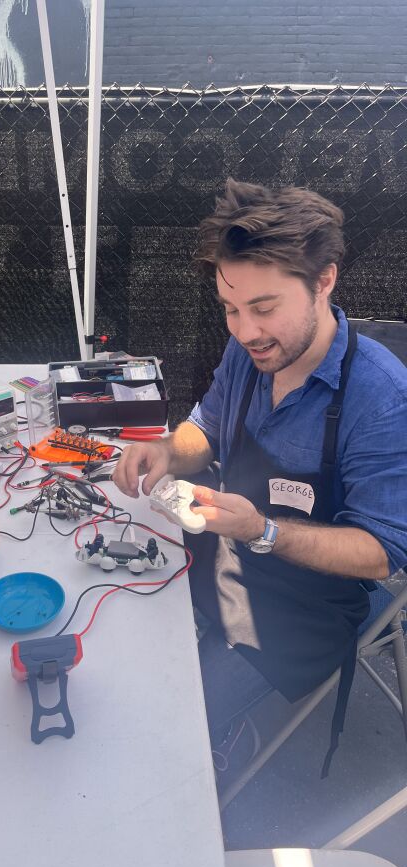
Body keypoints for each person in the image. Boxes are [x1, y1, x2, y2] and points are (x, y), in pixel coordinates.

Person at [112, 179, 407, 768]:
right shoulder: (249, 352)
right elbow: (208, 428)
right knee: (120, 656)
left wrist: (263, 532)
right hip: (221, 552)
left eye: (265, 308)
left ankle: (210, 749)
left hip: (307, 606)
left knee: (166, 740)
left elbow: (383, 554)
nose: (246, 331)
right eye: (230, 309)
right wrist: (168, 451)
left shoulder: (383, 399)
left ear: (324, 280)